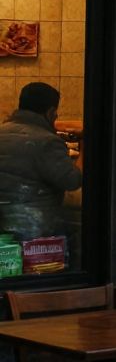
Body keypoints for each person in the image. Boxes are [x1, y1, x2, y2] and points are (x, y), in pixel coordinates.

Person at [0, 82, 82, 245]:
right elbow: (72, 181)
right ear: (51, 112)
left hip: (3, 227)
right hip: (35, 229)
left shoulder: (2, 131)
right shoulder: (48, 142)